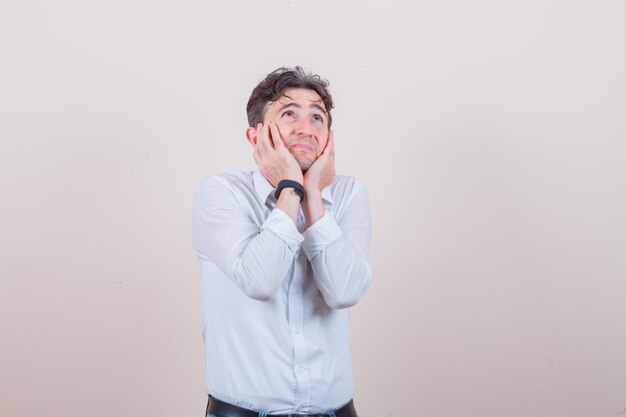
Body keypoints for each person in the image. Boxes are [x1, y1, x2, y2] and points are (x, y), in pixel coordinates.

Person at [192, 66, 372, 417]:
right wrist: (290, 189)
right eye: (289, 114)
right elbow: (259, 281)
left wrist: (314, 199)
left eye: (318, 117)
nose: (306, 128)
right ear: (255, 137)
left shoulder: (350, 194)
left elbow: (344, 292)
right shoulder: (221, 192)